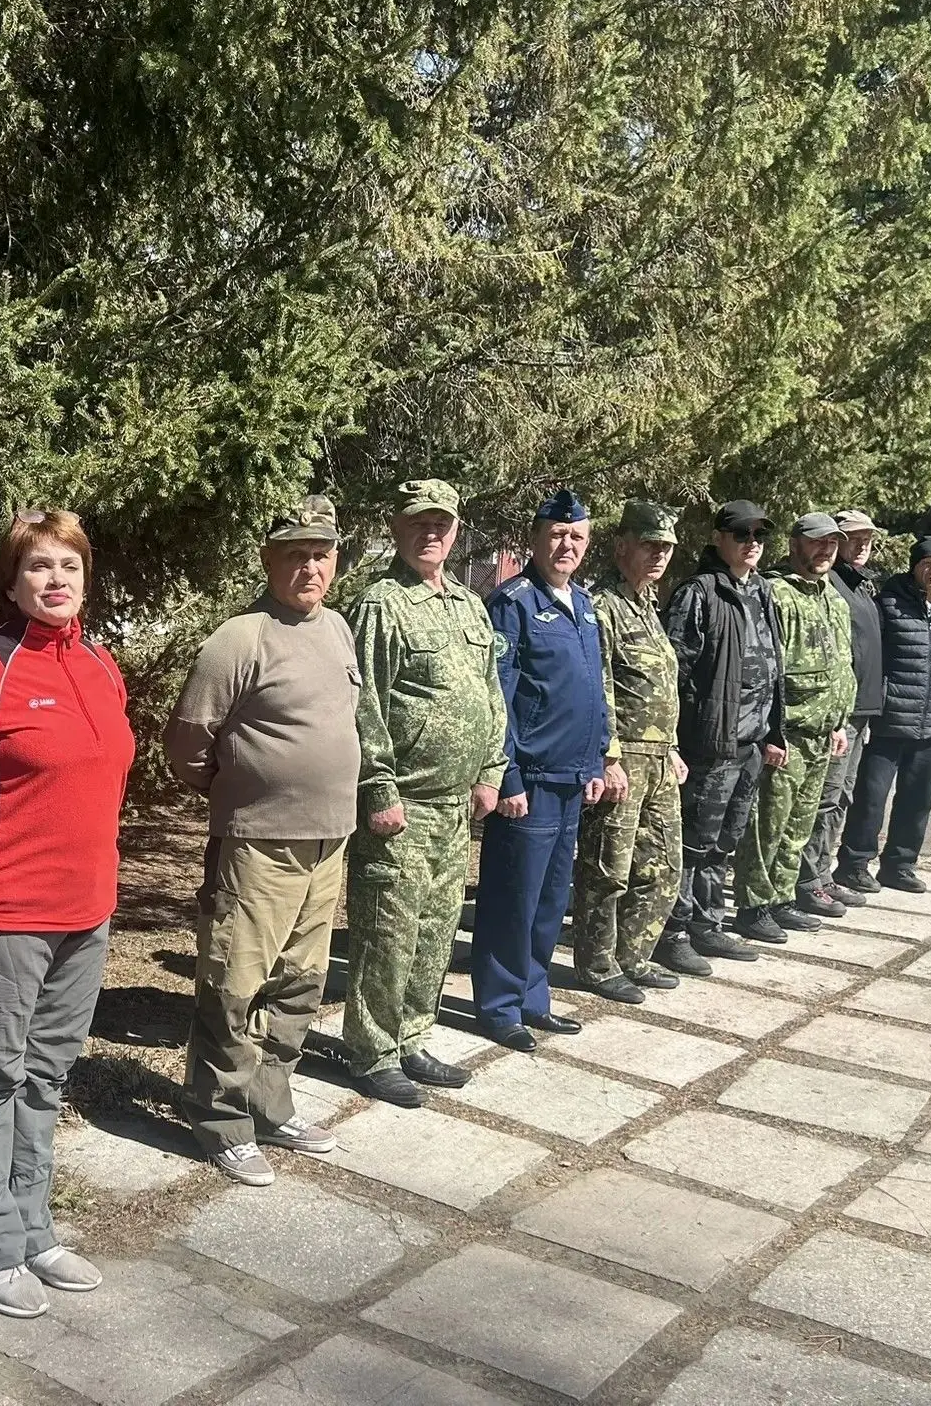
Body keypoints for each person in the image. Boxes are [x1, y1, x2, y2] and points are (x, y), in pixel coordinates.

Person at [0, 509, 136, 1320]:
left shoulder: (100, 663)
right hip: (5, 909)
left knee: (46, 1074)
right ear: (11, 582)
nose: (56, 580)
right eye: (38, 567)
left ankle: (31, 1226)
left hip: (86, 908)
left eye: (69, 566)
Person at [164, 496, 359, 1183]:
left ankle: (270, 1105)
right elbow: (187, 745)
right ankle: (220, 1119)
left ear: (336, 561)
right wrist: (243, 790)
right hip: (258, 846)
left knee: (300, 983)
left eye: (321, 554)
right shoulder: (239, 639)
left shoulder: (337, 628)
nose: (310, 568)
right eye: (295, 555)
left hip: (328, 843)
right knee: (233, 985)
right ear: (268, 561)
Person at [342, 479, 508, 1105]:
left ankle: (411, 1036)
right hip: (404, 807)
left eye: (441, 523)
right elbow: (363, 704)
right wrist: (378, 787)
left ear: (456, 530)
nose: (430, 533)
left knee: (435, 931)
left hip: (455, 806)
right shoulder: (380, 605)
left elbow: (491, 694)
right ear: (397, 528)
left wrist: (491, 771)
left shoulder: (469, 605)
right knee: (387, 933)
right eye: (418, 523)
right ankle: (372, 1052)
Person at [471, 488, 608, 1049]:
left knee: (551, 900)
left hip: (572, 778)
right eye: (556, 534)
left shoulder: (584, 604)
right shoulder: (514, 602)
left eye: (576, 536)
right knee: (514, 898)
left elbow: (594, 690)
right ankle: (499, 1006)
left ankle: (533, 996)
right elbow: (497, 696)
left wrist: (596, 760)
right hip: (529, 780)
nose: (566, 545)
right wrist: (507, 777)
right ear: (535, 539)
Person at [655, 500, 785, 974]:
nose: (752, 543)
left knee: (724, 842)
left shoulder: (762, 591)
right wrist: (675, 740)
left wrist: (774, 732)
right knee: (692, 842)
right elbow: (673, 672)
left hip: (751, 743)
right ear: (718, 539)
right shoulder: (699, 593)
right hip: (710, 744)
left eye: (759, 535)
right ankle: (672, 932)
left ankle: (707, 923)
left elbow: (774, 668)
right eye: (741, 534)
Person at [570, 501, 688, 1004]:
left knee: (663, 865)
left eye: (666, 548)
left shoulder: (648, 605)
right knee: (608, 870)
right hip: (624, 759)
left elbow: (657, 687)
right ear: (622, 547)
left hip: (659, 757)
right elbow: (599, 686)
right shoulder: (604, 606)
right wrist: (609, 756)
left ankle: (634, 956)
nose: (659, 555)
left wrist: (673, 747)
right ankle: (597, 966)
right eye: (649, 545)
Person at [733, 515, 856, 940]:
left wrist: (839, 722)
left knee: (799, 825)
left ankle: (782, 898)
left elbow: (842, 665)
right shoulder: (777, 593)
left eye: (832, 544)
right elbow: (766, 670)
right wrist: (771, 732)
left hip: (823, 732)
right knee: (767, 825)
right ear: (794, 544)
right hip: (789, 732)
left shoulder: (833, 597)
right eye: (817, 542)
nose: (825, 551)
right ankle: (753, 906)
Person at [836, 536, 931, 893]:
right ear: (914, 567)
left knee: (918, 800)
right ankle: (854, 864)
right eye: (927, 563)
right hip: (890, 719)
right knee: (870, 798)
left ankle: (900, 865)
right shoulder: (889, 602)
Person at [797, 508, 882, 914]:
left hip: (860, 709)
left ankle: (823, 873)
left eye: (868, 538)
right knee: (823, 798)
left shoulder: (861, 585)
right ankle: (807, 879)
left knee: (840, 797)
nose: (862, 545)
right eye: (854, 538)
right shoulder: (829, 583)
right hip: (835, 714)